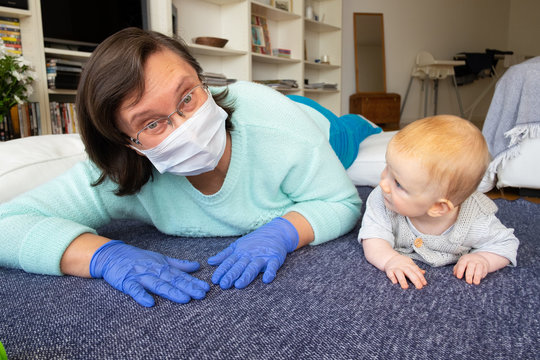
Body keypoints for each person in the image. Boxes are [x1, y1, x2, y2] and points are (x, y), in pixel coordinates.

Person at [0, 28, 363, 307]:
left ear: (202, 79)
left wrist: (284, 232)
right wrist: (102, 255)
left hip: (318, 125)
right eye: (152, 123)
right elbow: (8, 225)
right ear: (129, 144)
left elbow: (341, 202)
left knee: (354, 127)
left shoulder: (275, 124)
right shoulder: (120, 172)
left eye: (187, 97)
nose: (185, 126)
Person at [358, 115, 519, 290]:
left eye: (398, 183)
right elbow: (373, 238)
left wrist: (484, 259)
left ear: (438, 207)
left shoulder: (476, 220)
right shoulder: (381, 199)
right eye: (387, 167)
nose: (383, 184)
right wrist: (390, 259)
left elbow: (506, 243)